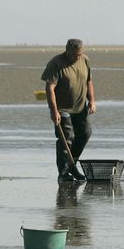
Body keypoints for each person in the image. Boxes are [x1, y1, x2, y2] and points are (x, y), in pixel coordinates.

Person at [41, 39, 96, 182]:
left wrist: (92, 101)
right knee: (67, 137)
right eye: (74, 55)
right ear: (67, 50)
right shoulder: (56, 63)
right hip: (62, 108)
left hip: (80, 106)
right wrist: (54, 111)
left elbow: (88, 81)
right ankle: (63, 172)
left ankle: (72, 164)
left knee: (85, 133)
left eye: (79, 55)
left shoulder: (84, 60)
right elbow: (50, 88)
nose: (76, 58)